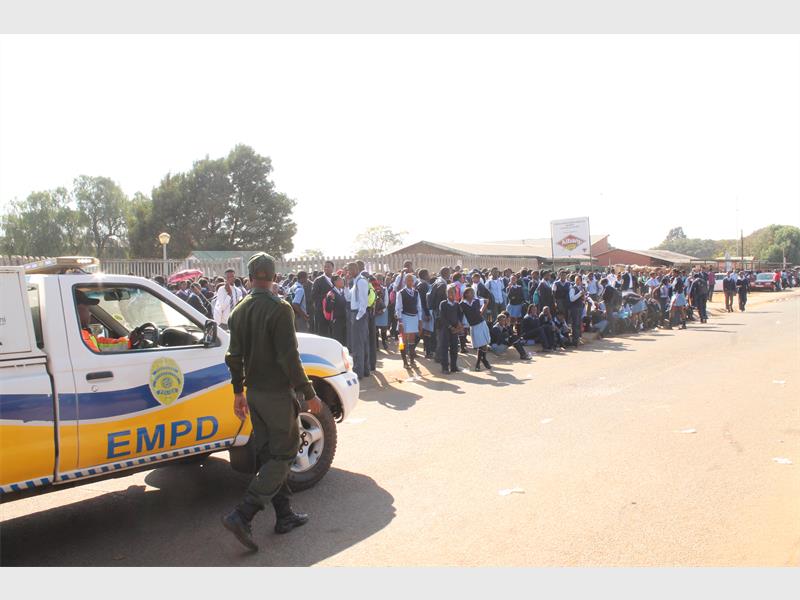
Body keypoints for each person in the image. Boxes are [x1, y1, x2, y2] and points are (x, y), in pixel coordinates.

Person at [221, 252, 323, 552]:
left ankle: (284, 514)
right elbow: (289, 358)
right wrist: (309, 392)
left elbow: (233, 357)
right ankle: (243, 514)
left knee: (269, 455)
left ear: (249, 278)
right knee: (284, 454)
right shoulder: (279, 308)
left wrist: (238, 392)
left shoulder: (239, 310)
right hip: (277, 394)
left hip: (254, 393)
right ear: (274, 277)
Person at [395, 273, 423, 368]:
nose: (410, 282)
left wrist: (420, 320)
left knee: (412, 340)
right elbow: (398, 308)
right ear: (405, 281)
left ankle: (412, 360)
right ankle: (404, 362)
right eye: (408, 280)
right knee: (402, 340)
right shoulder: (401, 293)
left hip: (414, 318)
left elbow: (419, 307)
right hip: (404, 318)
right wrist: (400, 322)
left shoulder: (416, 293)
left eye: (411, 280)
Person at [460, 286, 492, 370]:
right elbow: (460, 314)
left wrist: (481, 311)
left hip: (481, 323)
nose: (472, 294)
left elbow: (486, 301)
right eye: (470, 292)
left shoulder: (476, 301)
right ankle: (482, 361)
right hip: (474, 325)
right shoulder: (462, 304)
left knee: (484, 344)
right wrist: (461, 324)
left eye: (473, 292)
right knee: (480, 345)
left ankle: (480, 362)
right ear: (466, 294)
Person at [348, 262, 371, 379]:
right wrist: (345, 285)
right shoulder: (355, 281)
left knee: (358, 345)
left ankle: (358, 371)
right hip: (356, 314)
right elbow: (348, 297)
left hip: (358, 314)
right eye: (349, 269)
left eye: (352, 269)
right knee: (362, 343)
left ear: (357, 269)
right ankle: (365, 370)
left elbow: (363, 301)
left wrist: (358, 317)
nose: (350, 271)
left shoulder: (361, 281)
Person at [437, 284, 463, 374]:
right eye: (449, 293)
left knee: (454, 347)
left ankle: (454, 366)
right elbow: (442, 317)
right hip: (445, 329)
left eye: (452, 292)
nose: (451, 294)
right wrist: (450, 327)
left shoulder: (457, 304)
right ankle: (445, 367)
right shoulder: (443, 304)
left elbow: (460, 315)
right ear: (446, 294)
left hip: (455, 329)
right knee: (444, 348)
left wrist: (459, 324)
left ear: (456, 294)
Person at [311, 261, 335, 337]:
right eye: (325, 267)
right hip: (322, 311)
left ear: (333, 268)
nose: (326, 268)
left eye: (328, 266)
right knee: (323, 333)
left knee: (333, 333)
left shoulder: (336, 279)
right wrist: (327, 296)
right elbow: (313, 296)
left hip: (334, 311)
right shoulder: (318, 280)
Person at [416, 269, 436, 358]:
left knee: (424, 331)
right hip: (425, 311)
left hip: (423, 310)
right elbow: (424, 301)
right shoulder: (424, 285)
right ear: (424, 275)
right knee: (425, 331)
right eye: (428, 274)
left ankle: (427, 351)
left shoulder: (420, 284)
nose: (429, 276)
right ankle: (427, 352)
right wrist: (427, 314)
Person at [325, 275, 349, 346]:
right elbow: (328, 309)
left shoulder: (343, 292)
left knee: (345, 340)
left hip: (345, 319)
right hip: (336, 321)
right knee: (338, 341)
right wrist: (332, 300)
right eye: (340, 280)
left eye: (342, 279)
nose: (342, 281)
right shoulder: (331, 293)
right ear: (335, 282)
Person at [568, 275, 587, 345]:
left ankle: (578, 338)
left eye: (579, 280)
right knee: (575, 324)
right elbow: (572, 299)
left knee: (579, 323)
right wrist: (580, 294)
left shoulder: (582, 288)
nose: (577, 281)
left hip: (580, 307)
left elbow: (583, 299)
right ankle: (575, 340)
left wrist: (584, 297)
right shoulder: (573, 288)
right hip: (574, 308)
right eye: (576, 280)